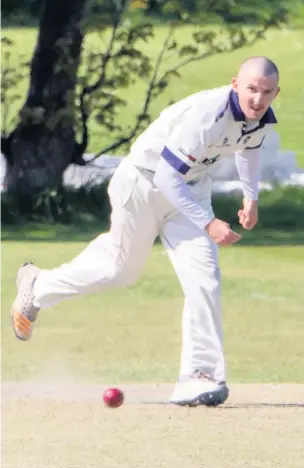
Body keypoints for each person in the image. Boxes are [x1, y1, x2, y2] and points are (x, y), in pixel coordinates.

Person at [11, 56, 280, 406]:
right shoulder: (207, 115)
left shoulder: (259, 118)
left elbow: (248, 148)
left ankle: (198, 377)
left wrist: (251, 197)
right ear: (235, 85)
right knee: (119, 270)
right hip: (143, 184)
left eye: (266, 92)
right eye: (251, 90)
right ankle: (39, 287)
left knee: (206, 278)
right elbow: (169, 177)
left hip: (191, 188)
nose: (258, 99)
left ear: (276, 92)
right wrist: (209, 222)